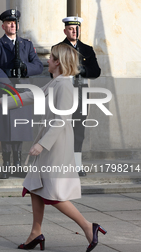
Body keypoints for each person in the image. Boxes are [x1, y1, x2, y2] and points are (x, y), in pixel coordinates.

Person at [0, 43, 107, 252]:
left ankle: (88, 226)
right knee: (34, 186)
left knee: (53, 194)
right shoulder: (56, 82)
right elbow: (31, 96)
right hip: (48, 143)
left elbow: (62, 120)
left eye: (51, 58)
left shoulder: (64, 85)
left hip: (55, 146)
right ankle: (35, 232)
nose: (47, 60)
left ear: (58, 62)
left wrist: (41, 144)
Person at [0, 9, 43, 179]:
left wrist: (24, 67)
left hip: (23, 91)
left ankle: (18, 164)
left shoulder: (26, 44)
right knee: (5, 128)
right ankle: (6, 165)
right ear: (3, 26)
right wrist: (8, 82)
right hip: (5, 89)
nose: (12, 25)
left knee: (19, 127)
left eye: (15, 22)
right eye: (9, 22)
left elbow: (38, 66)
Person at [52, 16, 101, 176]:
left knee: (79, 129)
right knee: (61, 128)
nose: (75, 31)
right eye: (71, 29)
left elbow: (96, 71)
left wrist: (82, 71)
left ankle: (77, 164)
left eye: (77, 28)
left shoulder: (87, 49)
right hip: (64, 92)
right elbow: (52, 72)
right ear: (65, 30)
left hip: (81, 93)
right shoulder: (58, 48)